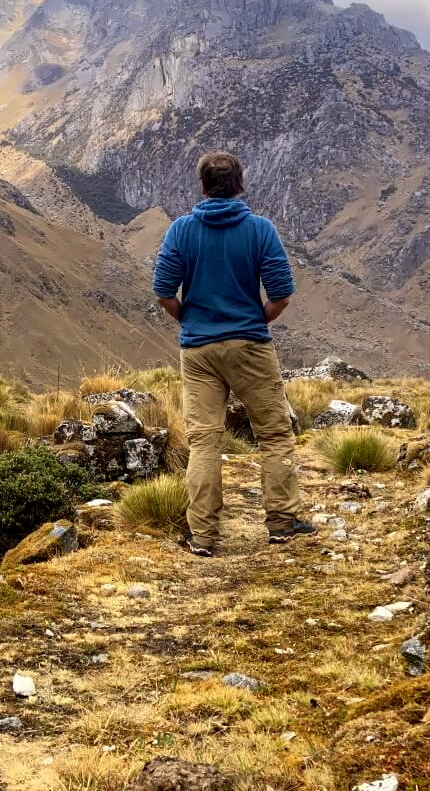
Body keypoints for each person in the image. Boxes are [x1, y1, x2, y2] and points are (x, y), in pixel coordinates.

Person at [152, 151, 315, 557]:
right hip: (250, 346)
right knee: (274, 435)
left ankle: (202, 535)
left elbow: (163, 292)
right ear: (240, 184)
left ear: (202, 186)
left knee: (204, 441)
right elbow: (281, 296)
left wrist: (190, 321)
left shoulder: (181, 231)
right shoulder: (260, 230)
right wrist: (253, 322)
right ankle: (282, 522)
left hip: (199, 350)